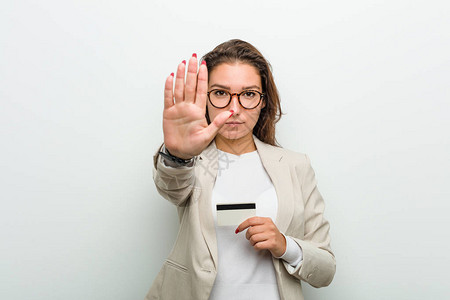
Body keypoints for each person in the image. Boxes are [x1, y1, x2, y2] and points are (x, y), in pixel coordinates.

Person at [145, 39, 336, 300]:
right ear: (205, 99)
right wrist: (179, 155)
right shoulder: (192, 163)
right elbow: (171, 187)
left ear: (263, 101)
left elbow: (325, 269)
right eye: (221, 93)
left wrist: (285, 245)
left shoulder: (295, 166)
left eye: (248, 94)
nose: (234, 110)